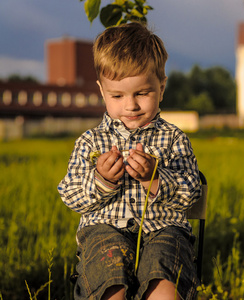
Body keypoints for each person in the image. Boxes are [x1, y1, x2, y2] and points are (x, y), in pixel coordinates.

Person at [58, 22, 202, 300]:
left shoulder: (173, 139)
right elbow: (71, 195)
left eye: (142, 93)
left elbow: (191, 192)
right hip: (105, 230)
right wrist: (101, 181)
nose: (131, 105)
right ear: (102, 91)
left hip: (164, 228)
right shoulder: (91, 142)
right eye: (117, 95)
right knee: (109, 278)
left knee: (164, 277)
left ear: (161, 86)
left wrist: (156, 179)